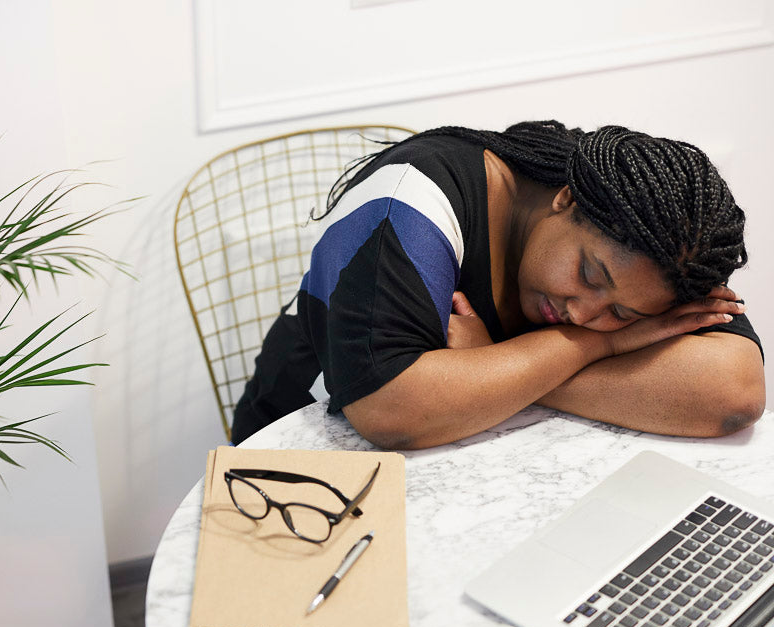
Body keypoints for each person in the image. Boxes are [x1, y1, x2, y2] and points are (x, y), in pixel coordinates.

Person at [230, 121, 765, 448]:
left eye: (624, 315)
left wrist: (499, 365)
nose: (584, 313)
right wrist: (605, 344)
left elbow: (733, 393)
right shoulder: (413, 199)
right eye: (588, 275)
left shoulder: (662, 239)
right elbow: (390, 409)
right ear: (567, 200)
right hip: (296, 456)